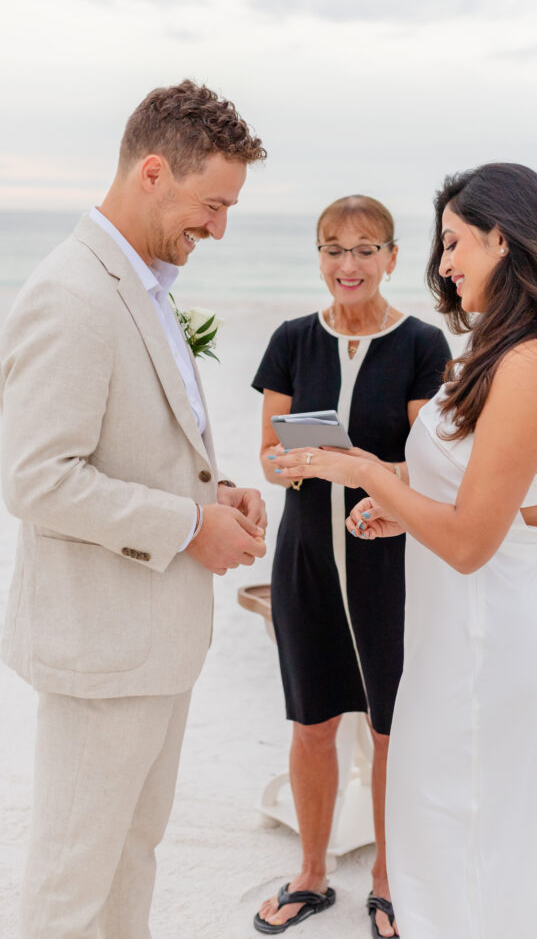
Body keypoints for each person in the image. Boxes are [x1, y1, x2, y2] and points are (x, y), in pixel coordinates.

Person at [272, 164, 537, 939]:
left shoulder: (533, 361)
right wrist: (396, 506)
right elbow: (483, 498)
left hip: (480, 637)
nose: (445, 262)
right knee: (455, 827)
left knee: (468, 835)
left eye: (455, 242)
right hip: (458, 627)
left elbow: (468, 544)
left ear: (505, 237)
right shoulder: (512, 348)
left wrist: (361, 470)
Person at [0, 80, 269, 939]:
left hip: (152, 646)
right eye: (212, 204)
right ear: (153, 171)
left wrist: (211, 497)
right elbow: (35, 477)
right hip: (103, 649)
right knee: (72, 883)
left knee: (130, 856)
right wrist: (191, 528)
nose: (219, 227)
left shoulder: (141, 282)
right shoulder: (72, 294)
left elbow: (130, 448)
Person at [251, 195, 451, 936]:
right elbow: (268, 457)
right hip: (304, 560)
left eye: (365, 249)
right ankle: (310, 874)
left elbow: (431, 470)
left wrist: (364, 470)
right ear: (320, 260)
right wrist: (291, 461)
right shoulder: (290, 341)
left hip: (388, 563)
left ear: (392, 258)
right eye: (333, 249)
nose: (348, 264)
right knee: (310, 722)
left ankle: (389, 877)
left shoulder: (423, 345)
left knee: (388, 729)